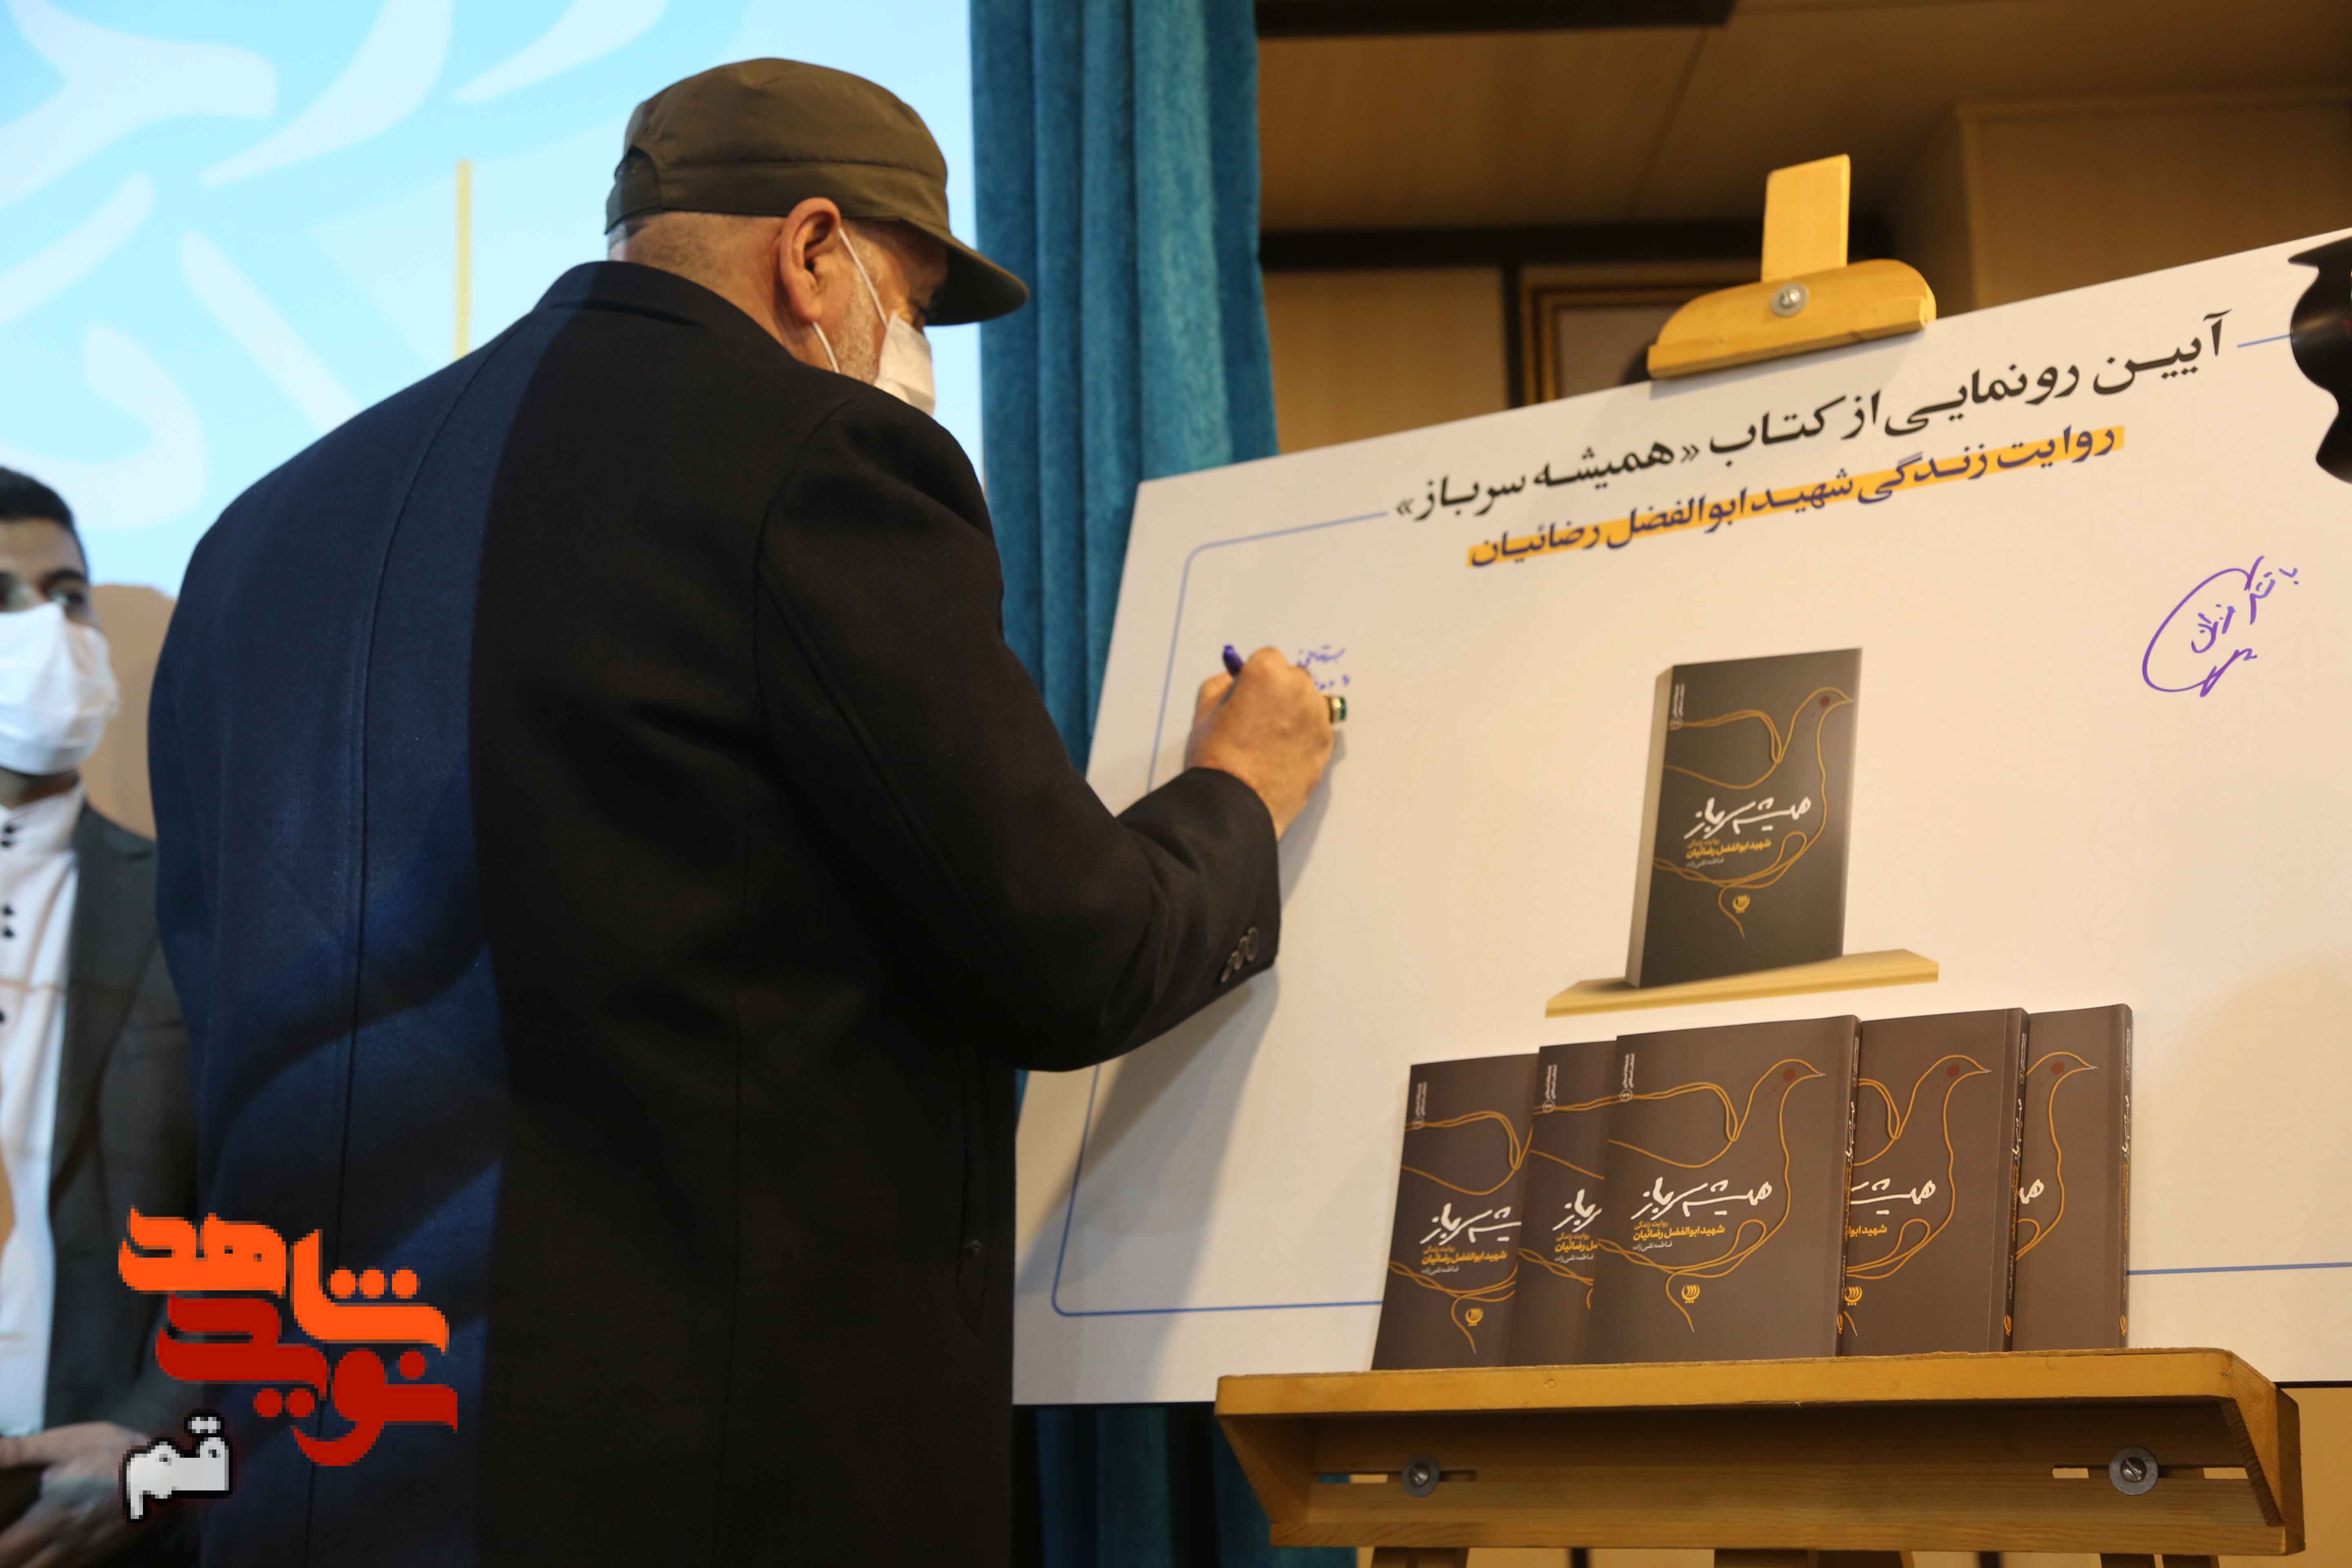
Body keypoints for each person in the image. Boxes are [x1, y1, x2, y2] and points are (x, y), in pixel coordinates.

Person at [149, 58, 1333, 1568]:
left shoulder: (251, 540)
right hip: (692, 1486)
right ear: (815, 251)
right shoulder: (814, 455)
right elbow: (1073, 950)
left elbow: (220, 994)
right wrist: (1240, 789)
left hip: (308, 1467)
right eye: (914, 304)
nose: (911, 358)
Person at [0, 470, 192, 1568]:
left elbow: (269, 1214)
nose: (45, 631)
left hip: (95, 1509)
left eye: (66, 597)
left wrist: (158, 1446)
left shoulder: (191, 913)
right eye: (2, 598)